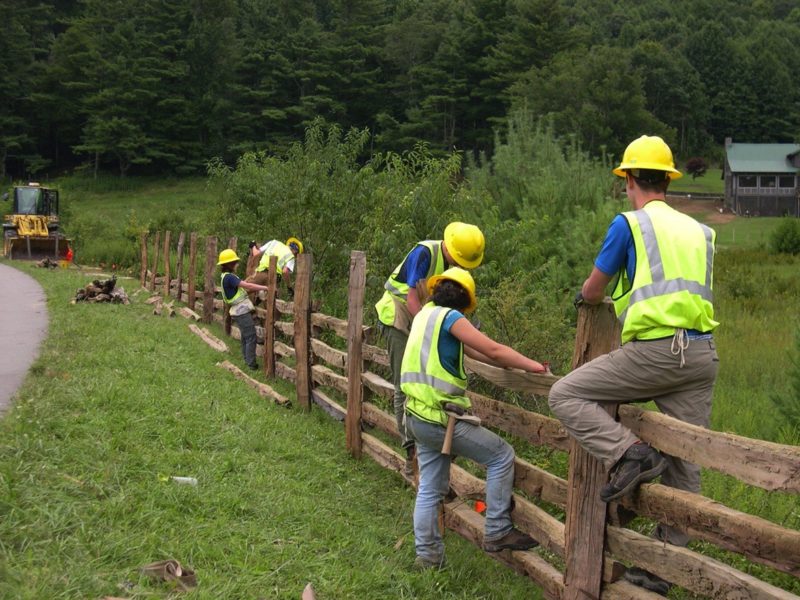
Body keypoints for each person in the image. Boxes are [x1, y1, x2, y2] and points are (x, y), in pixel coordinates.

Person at [548, 135, 719, 595]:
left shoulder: (630, 225)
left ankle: (630, 452)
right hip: (701, 355)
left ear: (629, 181)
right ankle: (666, 568)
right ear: (667, 179)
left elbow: (595, 289)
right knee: (686, 463)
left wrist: (583, 299)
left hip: (654, 352)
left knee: (564, 394)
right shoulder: (702, 231)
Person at [401, 267, 547, 569]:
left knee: (429, 486)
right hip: (439, 419)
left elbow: (473, 350)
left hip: (416, 415)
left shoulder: (426, 314)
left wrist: (516, 364)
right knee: (500, 455)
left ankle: (427, 558)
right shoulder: (452, 318)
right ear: (466, 301)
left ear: (436, 290)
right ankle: (497, 529)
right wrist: (534, 367)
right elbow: (492, 349)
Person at [375, 222, 485, 476]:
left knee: (428, 385)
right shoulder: (425, 253)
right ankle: (411, 451)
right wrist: (427, 328)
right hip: (399, 317)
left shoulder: (453, 269)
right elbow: (412, 298)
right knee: (405, 383)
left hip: (422, 320)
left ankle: (429, 444)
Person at [218, 248, 271, 371]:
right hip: (240, 310)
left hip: (238, 310)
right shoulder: (230, 277)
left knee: (245, 336)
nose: (236, 264)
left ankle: (246, 359)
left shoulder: (225, 277)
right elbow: (248, 285)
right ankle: (251, 364)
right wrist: (266, 287)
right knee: (251, 335)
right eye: (234, 262)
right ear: (229, 264)